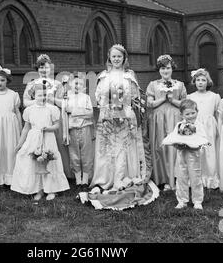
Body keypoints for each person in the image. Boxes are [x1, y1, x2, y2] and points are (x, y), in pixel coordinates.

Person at [78, 44, 158, 210]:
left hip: (126, 115)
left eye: (119, 57)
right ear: (109, 58)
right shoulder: (103, 76)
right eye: (113, 56)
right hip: (108, 114)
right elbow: (98, 96)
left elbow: (136, 96)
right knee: (108, 147)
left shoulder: (129, 75)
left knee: (123, 146)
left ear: (124, 58)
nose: (116, 59)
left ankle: (123, 177)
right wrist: (108, 105)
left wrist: (124, 107)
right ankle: (105, 178)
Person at [11, 84, 70, 201]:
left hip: (48, 137)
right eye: (39, 95)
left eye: (44, 95)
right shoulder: (29, 110)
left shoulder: (51, 109)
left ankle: (51, 189)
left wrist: (48, 128)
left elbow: (57, 125)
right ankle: (39, 189)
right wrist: (20, 144)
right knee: (35, 161)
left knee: (49, 161)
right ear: (33, 96)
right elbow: (26, 128)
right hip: (33, 138)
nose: (42, 97)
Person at [23, 54, 72, 178]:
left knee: (55, 144)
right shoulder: (32, 84)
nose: (43, 70)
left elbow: (63, 103)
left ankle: (59, 174)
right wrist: (39, 101)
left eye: (46, 68)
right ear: (37, 69)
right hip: (38, 117)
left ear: (51, 68)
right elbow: (25, 102)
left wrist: (53, 99)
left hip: (52, 117)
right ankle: (37, 172)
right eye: (41, 68)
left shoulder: (57, 84)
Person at [146, 54, 187, 191]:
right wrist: (162, 99)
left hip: (174, 118)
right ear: (159, 70)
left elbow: (185, 104)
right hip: (158, 119)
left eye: (168, 68)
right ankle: (161, 178)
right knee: (160, 146)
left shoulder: (179, 85)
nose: (165, 71)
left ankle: (175, 179)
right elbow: (149, 103)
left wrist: (173, 100)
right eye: (162, 68)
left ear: (172, 68)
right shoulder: (153, 85)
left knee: (174, 147)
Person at [162, 99, 208, 210]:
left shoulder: (199, 126)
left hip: (194, 155)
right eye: (187, 114)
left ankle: (197, 201)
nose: (191, 116)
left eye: (193, 113)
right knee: (181, 177)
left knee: (195, 177)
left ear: (197, 112)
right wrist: (177, 145)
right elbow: (174, 138)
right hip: (181, 155)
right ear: (181, 114)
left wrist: (197, 145)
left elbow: (203, 139)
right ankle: (182, 200)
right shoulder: (179, 125)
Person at [188, 68, 221, 189]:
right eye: (198, 80)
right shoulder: (190, 97)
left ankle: (211, 177)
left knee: (210, 151)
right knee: (198, 151)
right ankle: (197, 178)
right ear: (194, 82)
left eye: (203, 80)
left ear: (208, 82)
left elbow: (218, 115)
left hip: (210, 127)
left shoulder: (214, 97)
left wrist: (219, 129)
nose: (200, 82)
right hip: (196, 126)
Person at [65, 73, 95, 186]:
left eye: (81, 84)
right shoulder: (67, 97)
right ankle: (78, 179)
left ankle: (85, 179)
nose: (78, 86)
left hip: (85, 127)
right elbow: (65, 112)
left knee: (86, 153)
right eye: (76, 83)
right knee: (74, 153)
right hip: (72, 128)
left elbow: (90, 113)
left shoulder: (86, 97)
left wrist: (74, 111)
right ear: (70, 83)